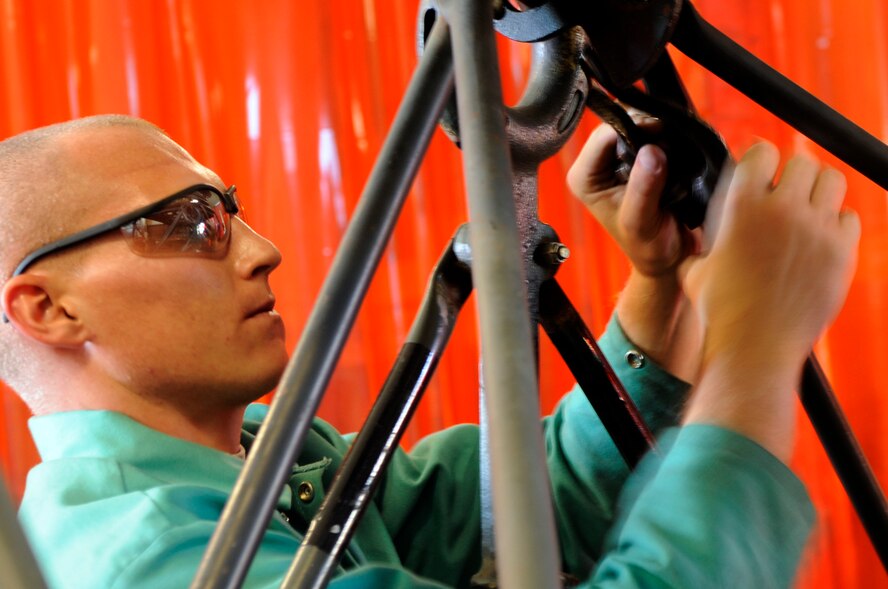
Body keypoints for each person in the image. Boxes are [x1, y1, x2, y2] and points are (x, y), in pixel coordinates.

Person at [0, 113, 858, 588]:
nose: (264, 250)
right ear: (49, 308)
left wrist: (661, 281)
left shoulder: (268, 456)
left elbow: (535, 505)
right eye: (192, 222)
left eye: (231, 209)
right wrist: (756, 343)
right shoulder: (154, 562)